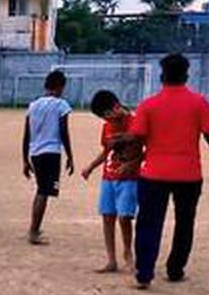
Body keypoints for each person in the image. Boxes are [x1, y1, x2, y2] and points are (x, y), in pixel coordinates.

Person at [120, 54, 209, 289]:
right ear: (186, 75)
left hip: (154, 174)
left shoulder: (148, 105)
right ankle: (175, 269)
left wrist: (125, 153)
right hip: (188, 175)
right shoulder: (199, 103)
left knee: (148, 223)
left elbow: (136, 138)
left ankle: (144, 273)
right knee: (185, 223)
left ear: (162, 75)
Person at [81, 90, 142, 273]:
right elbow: (106, 151)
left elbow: (151, 149)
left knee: (125, 217)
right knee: (108, 217)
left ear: (116, 106)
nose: (107, 121)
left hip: (130, 178)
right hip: (109, 177)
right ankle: (111, 260)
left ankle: (128, 255)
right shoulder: (107, 126)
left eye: (108, 115)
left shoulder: (136, 122)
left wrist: (132, 163)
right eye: (104, 118)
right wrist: (91, 166)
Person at [21, 70, 74, 245]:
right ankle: (33, 231)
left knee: (41, 189)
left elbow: (26, 134)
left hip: (35, 153)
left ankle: (34, 227)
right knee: (44, 191)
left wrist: (25, 159)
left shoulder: (33, 105)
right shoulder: (61, 105)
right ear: (60, 87)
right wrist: (70, 156)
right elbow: (64, 132)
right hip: (51, 153)